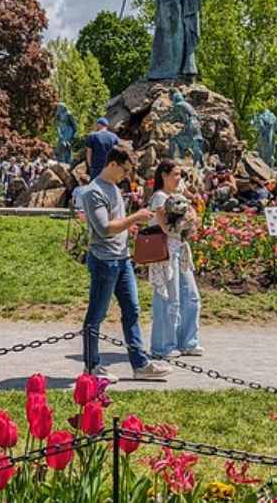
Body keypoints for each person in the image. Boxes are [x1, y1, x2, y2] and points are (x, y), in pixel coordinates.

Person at [80, 146, 171, 382]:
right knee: (96, 315)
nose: (126, 176)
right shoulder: (93, 191)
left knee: (132, 311)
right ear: (112, 164)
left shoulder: (113, 188)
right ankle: (92, 366)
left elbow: (115, 223)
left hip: (122, 259)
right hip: (104, 261)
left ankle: (140, 365)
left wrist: (128, 227)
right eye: (125, 170)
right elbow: (104, 228)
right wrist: (134, 217)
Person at [147, 160, 203, 359]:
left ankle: (188, 341)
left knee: (191, 297)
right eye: (176, 174)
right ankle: (163, 346)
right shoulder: (159, 198)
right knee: (169, 300)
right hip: (165, 253)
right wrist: (188, 221)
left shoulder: (178, 197)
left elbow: (194, 217)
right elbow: (166, 228)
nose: (180, 178)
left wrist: (189, 217)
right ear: (164, 175)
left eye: (180, 174)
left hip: (181, 251)